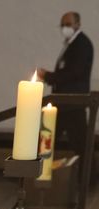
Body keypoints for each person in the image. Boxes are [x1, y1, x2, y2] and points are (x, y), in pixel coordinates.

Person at [39, 11, 94, 154]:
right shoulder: (72, 44)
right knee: (46, 140)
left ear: (78, 24)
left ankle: (89, 176)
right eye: (62, 25)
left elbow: (74, 72)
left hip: (72, 103)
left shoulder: (81, 44)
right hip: (63, 103)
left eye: (68, 24)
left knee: (80, 145)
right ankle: (38, 172)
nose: (65, 28)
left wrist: (48, 76)